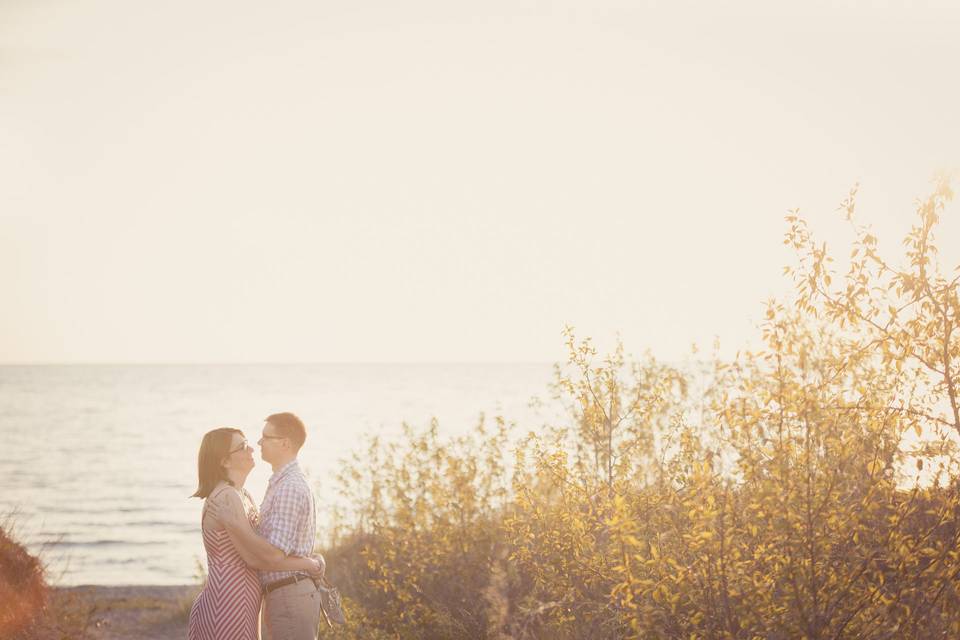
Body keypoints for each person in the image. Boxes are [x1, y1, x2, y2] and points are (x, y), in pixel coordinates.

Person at [187, 427, 323, 640]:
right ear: (224, 461)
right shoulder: (227, 497)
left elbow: (262, 547)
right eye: (242, 446)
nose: (252, 448)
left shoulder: (244, 495)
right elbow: (254, 558)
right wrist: (308, 564)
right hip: (228, 601)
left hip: (243, 600)